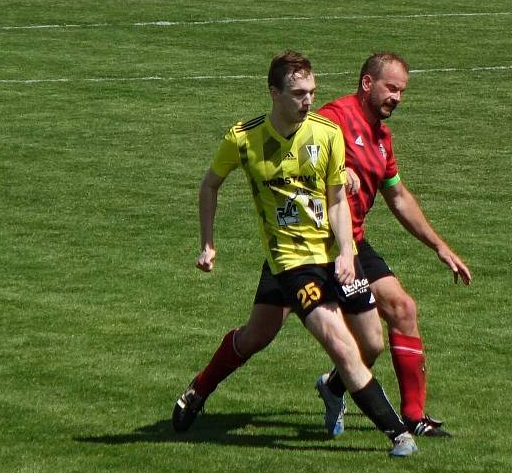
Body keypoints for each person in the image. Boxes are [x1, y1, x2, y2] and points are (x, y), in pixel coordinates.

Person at [173, 52, 471, 439]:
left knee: (397, 313)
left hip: (346, 244)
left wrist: (439, 246)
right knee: (257, 336)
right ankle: (200, 388)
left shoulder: (381, 139)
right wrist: (341, 173)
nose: (397, 97)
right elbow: (300, 140)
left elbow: (398, 197)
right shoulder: (333, 118)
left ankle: (402, 412)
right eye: (391, 88)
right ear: (368, 84)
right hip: (299, 249)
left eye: (402, 91)